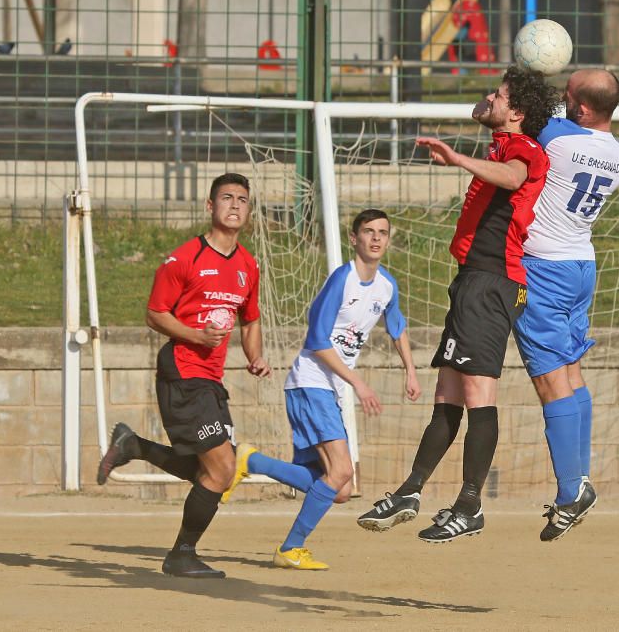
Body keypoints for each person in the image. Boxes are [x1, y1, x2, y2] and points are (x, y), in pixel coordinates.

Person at [357, 66, 560, 543]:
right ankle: (411, 490)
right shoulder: (504, 136)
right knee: (447, 393)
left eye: (499, 94)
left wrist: (460, 159)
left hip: (493, 282)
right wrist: (493, 106)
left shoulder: (524, 149)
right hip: (472, 280)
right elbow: (484, 116)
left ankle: (470, 504)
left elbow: (512, 177)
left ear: (519, 112)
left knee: (476, 394)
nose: (488, 97)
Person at [96, 172, 272, 578]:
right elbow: (155, 313)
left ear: (248, 210)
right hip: (182, 370)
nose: (234, 205)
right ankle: (181, 554)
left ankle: (134, 446)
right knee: (222, 470)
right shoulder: (183, 259)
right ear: (210, 207)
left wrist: (255, 355)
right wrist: (195, 334)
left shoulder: (248, 265)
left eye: (242, 200)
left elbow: (251, 319)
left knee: (213, 472)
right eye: (226, 198)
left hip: (211, 378)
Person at [223, 209, 420, 570]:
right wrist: (358, 383)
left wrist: (411, 371)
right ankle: (290, 547)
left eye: (383, 233)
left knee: (340, 489)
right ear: (354, 238)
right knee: (342, 471)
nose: (376, 238)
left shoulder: (386, 285)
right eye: (368, 232)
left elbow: (397, 325)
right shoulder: (341, 281)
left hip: (326, 391)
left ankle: (250, 460)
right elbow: (316, 340)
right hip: (309, 383)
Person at [514, 68, 619, 541]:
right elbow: (560, 115)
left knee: (548, 379)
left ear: (580, 108)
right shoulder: (616, 152)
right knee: (573, 373)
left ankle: (570, 490)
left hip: (544, 268)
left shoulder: (557, 140)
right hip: (582, 265)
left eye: (568, 93)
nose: (560, 97)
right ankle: (578, 481)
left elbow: (511, 115)